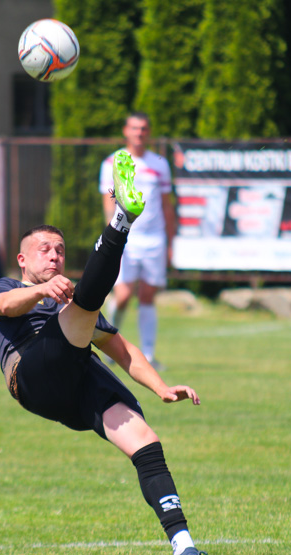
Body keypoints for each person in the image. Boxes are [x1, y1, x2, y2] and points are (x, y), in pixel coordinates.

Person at [0, 151, 212, 555]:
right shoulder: (9, 286)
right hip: (33, 374)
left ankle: (185, 550)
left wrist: (160, 387)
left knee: (146, 442)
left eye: (59, 250)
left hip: (77, 378)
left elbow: (122, 349)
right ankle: (121, 221)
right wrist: (42, 292)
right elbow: (5, 305)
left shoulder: (71, 302)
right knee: (84, 308)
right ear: (22, 260)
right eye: (43, 249)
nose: (53, 255)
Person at [99, 112, 175, 370]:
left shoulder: (159, 164)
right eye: (134, 128)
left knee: (147, 295)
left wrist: (171, 242)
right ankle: (108, 343)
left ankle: (150, 355)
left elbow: (166, 205)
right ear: (125, 131)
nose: (139, 133)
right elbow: (108, 202)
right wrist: (113, 237)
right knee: (122, 295)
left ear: (149, 132)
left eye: (143, 128)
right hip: (126, 238)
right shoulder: (113, 161)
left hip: (154, 238)